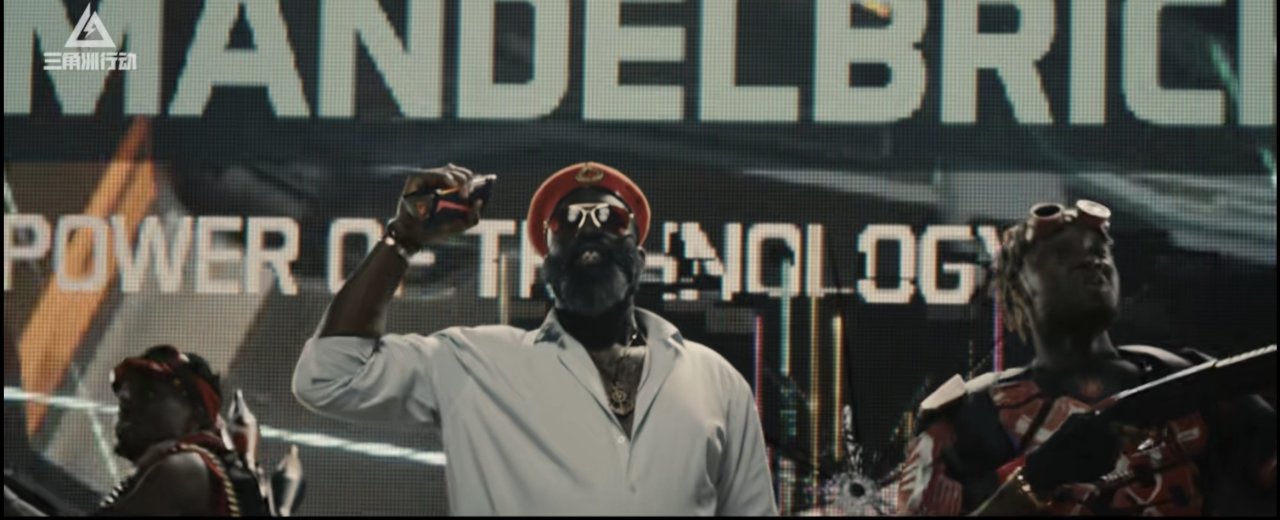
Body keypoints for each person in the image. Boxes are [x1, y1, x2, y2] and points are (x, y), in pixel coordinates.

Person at [293, 162, 778, 515]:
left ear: (639, 260)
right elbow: (329, 377)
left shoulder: (715, 380)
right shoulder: (474, 363)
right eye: (569, 225)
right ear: (546, 266)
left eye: (611, 222)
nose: (589, 230)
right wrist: (402, 239)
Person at [896, 201, 1277, 515]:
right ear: (1019, 285)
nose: (1092, 261)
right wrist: (1037, 479)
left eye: (1099, 252)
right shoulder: (972, 414)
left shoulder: (1190, 379)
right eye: (1061, 255)